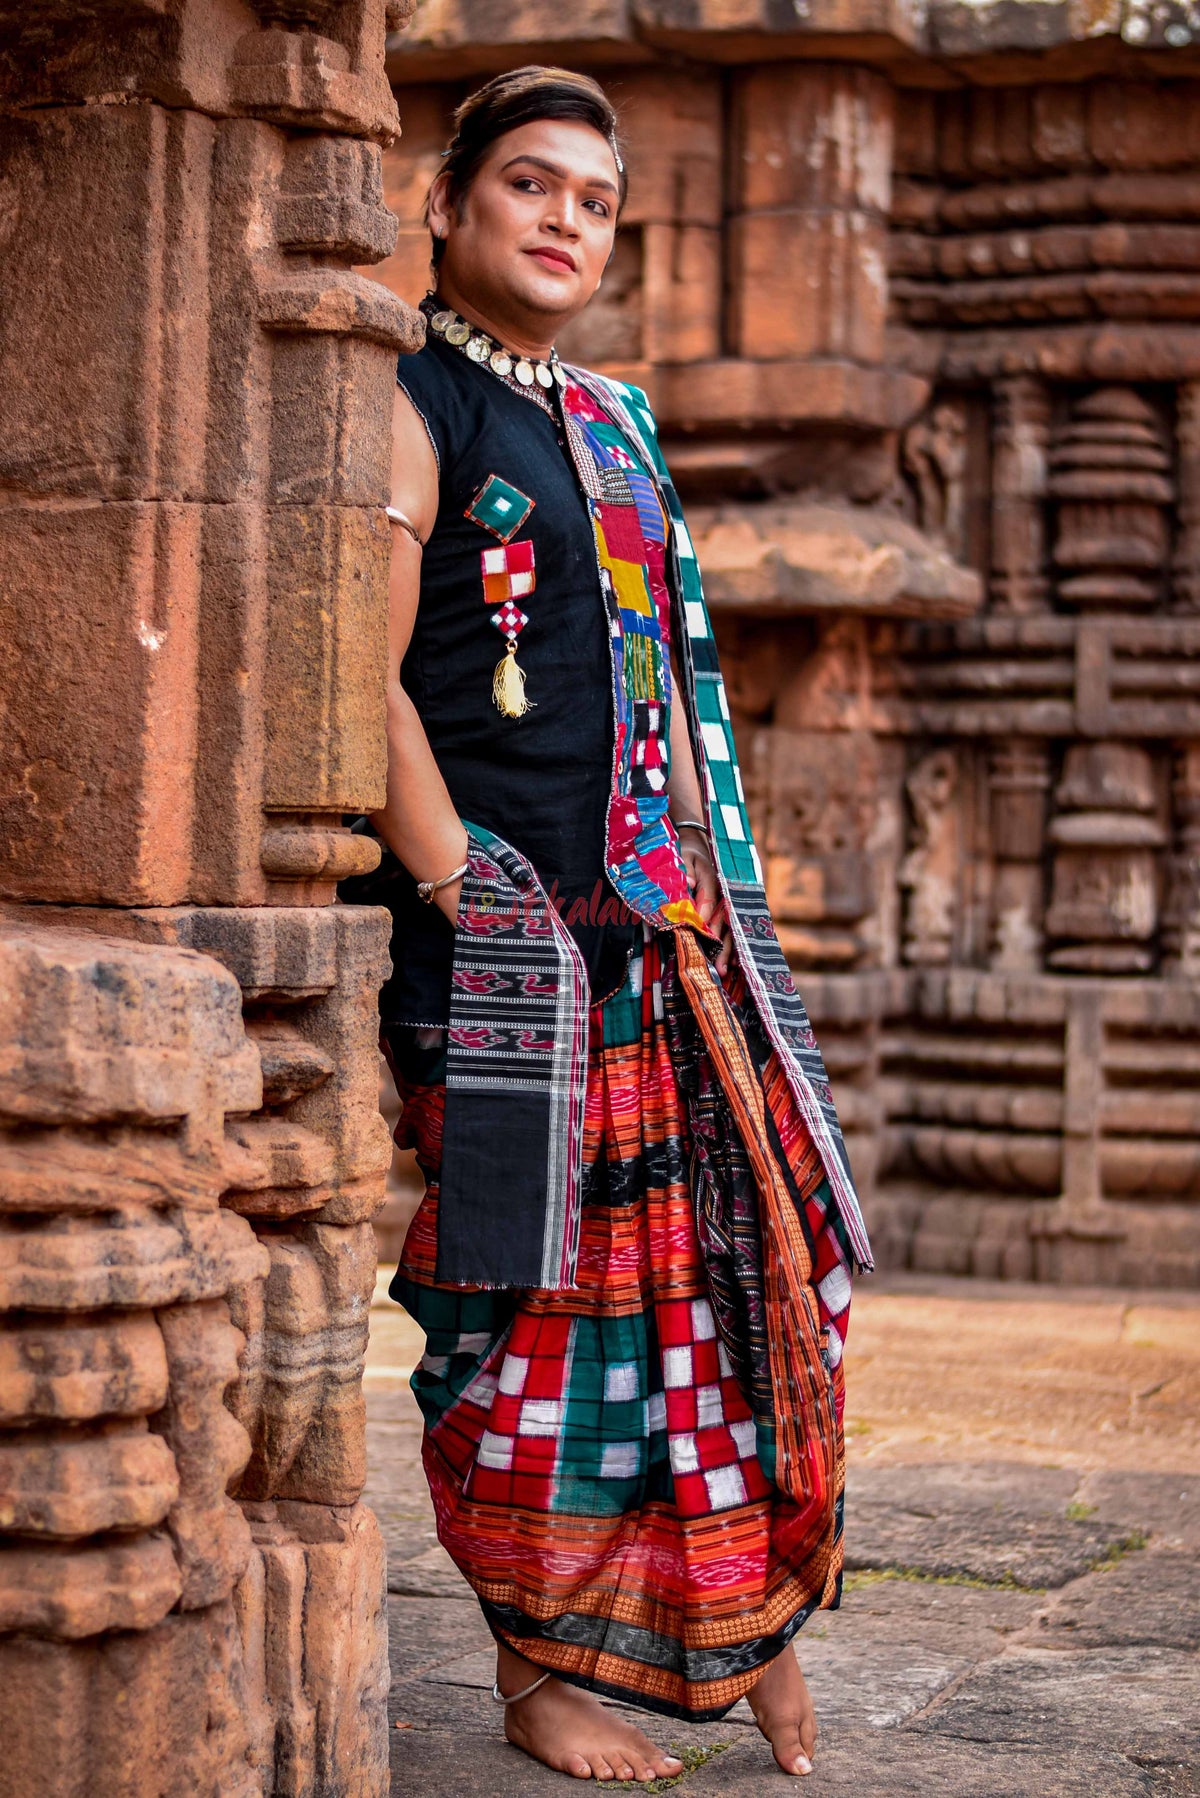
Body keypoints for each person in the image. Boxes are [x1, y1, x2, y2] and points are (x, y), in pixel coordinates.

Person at [347, 65, 873, 1784]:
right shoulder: (402, 405)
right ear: (446, 206)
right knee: (523, 1324)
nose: (569, 216)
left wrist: (704, 912)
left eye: (597, 197)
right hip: (504, 957)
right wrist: (457, 889)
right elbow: (359, 676)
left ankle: (750, 1631)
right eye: (532, 184)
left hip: (662, 946)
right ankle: (536, 1671)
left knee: (749, 1283)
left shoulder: (618, 421)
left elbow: (660, 691)